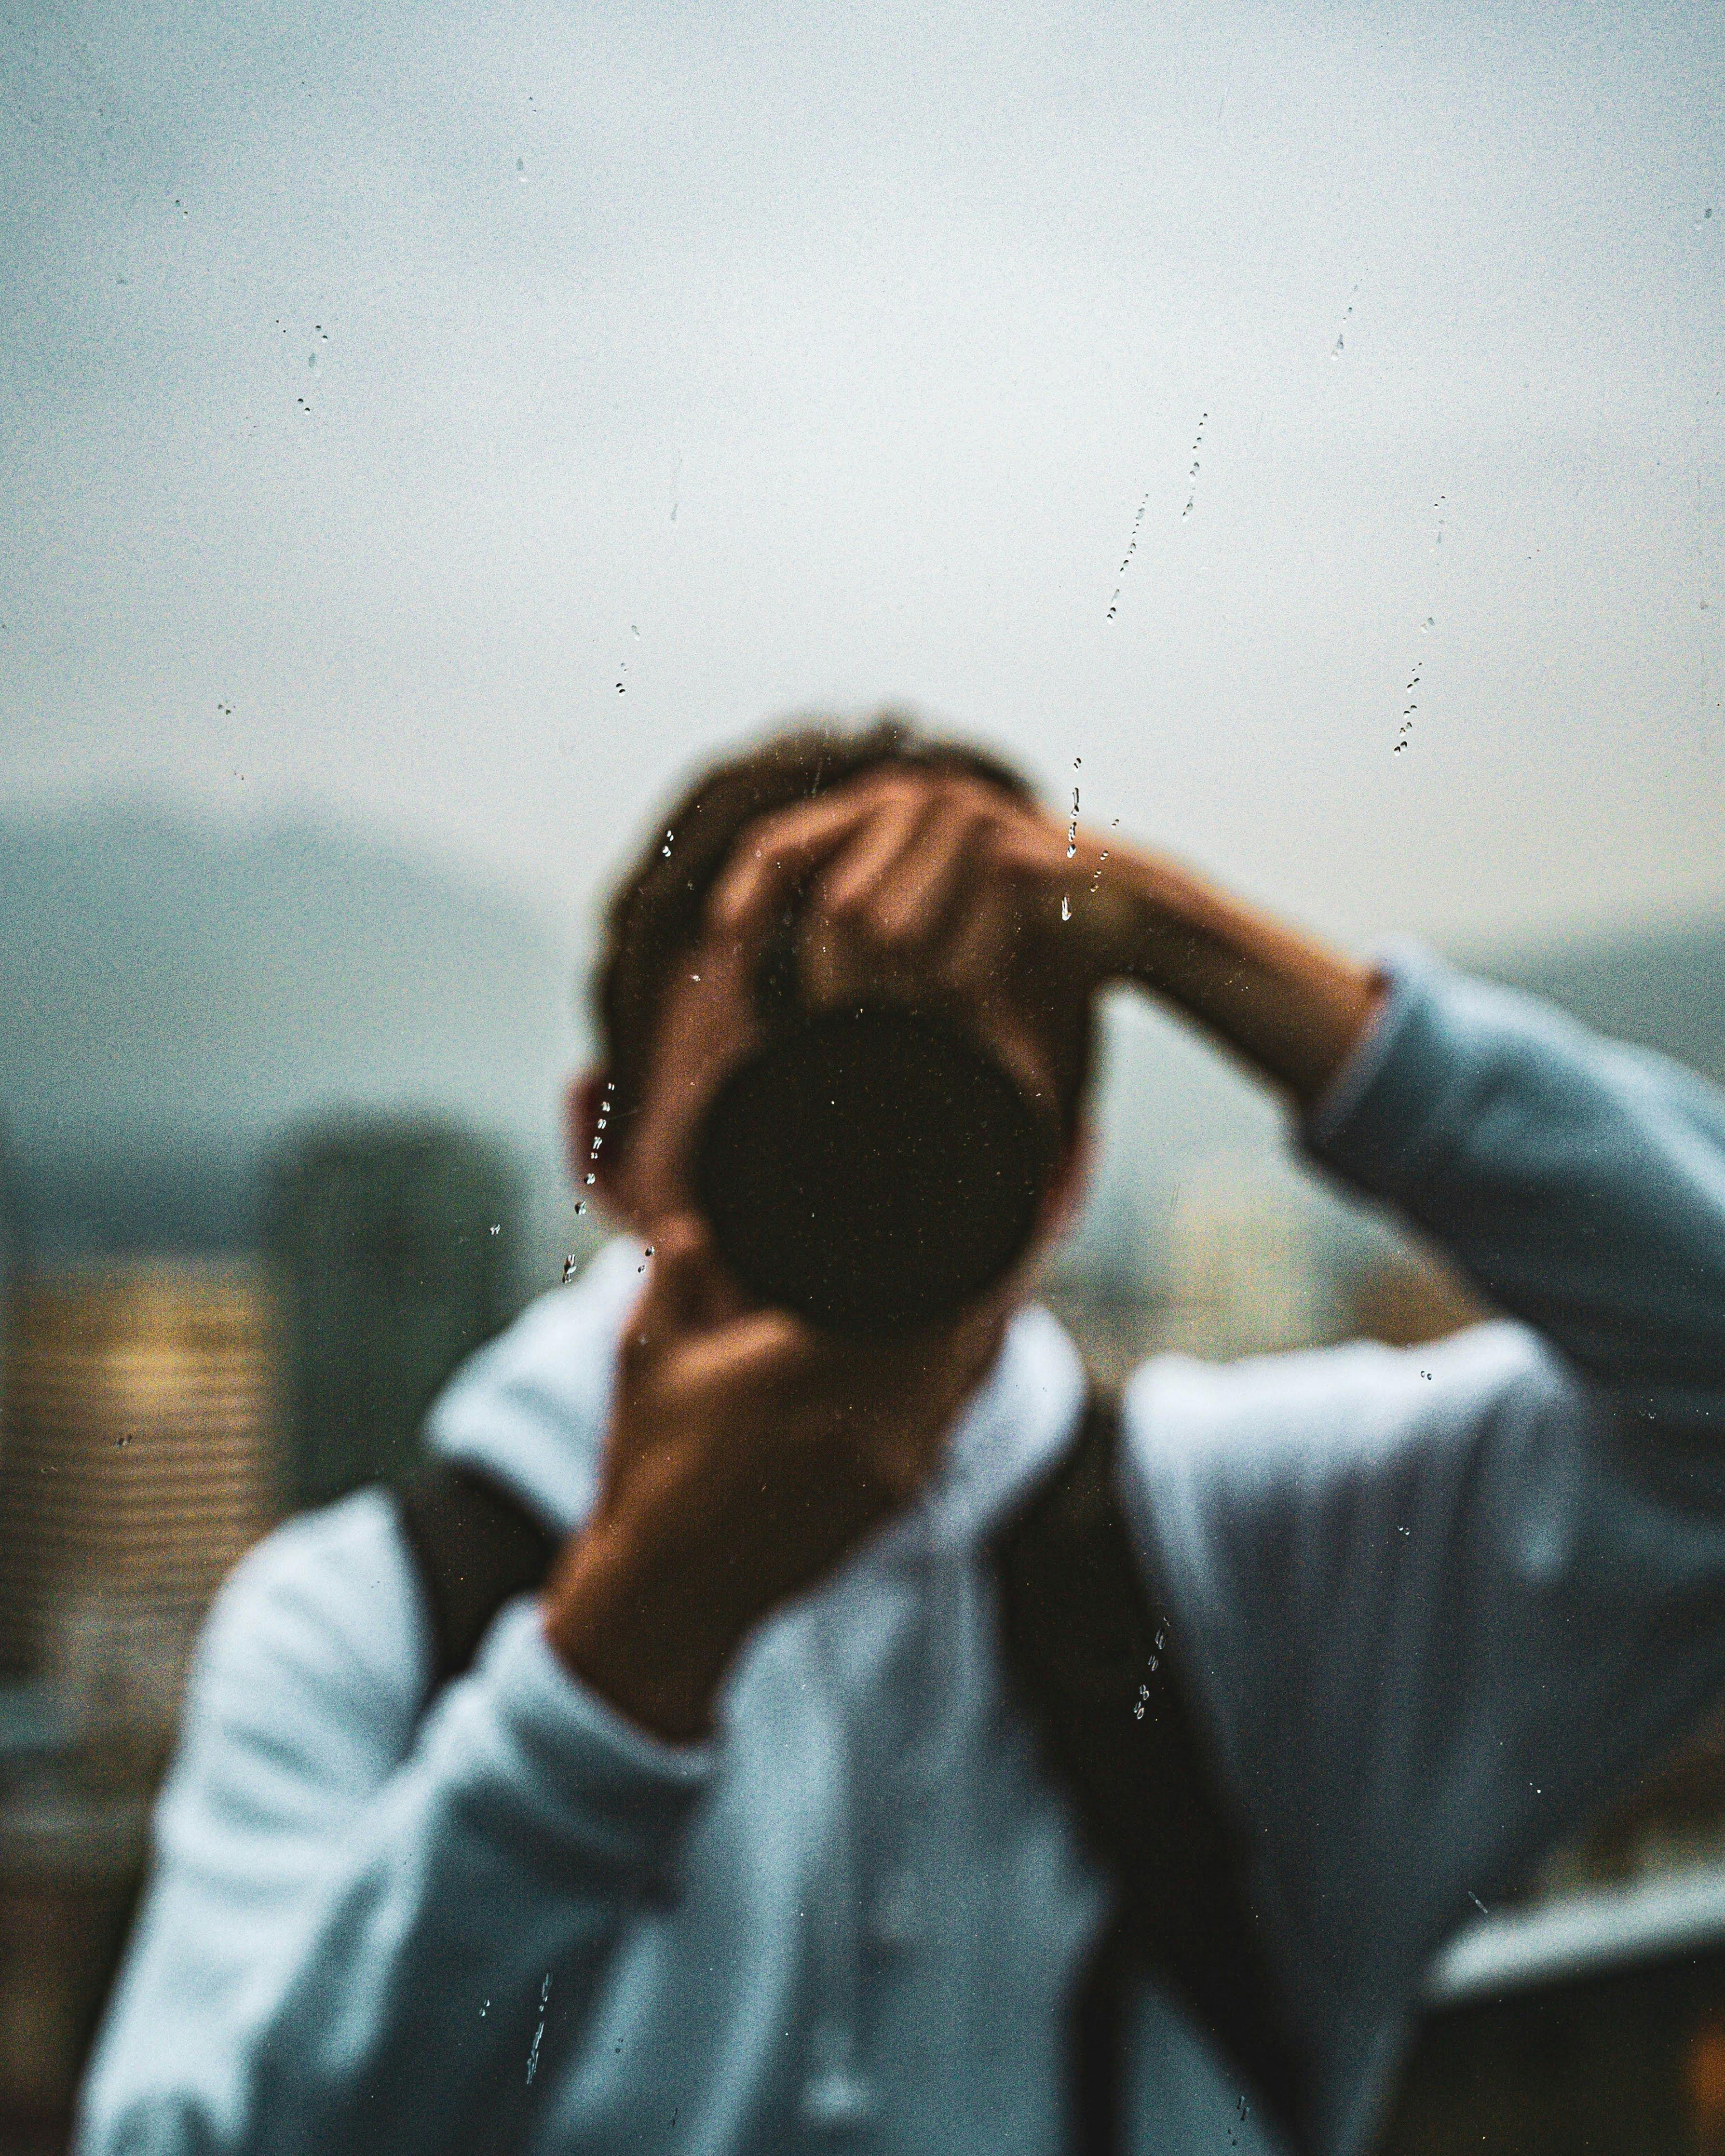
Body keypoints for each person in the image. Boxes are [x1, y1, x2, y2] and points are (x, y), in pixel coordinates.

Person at [77, 714, 1725, 2156]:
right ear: (603, 1140)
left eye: (925, 1128)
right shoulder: (368, 1621)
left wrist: (1168, 930)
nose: (850, 1192)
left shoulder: (1241, 1556)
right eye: (784, 1117)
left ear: (1058, 1184)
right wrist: (605, 1678)